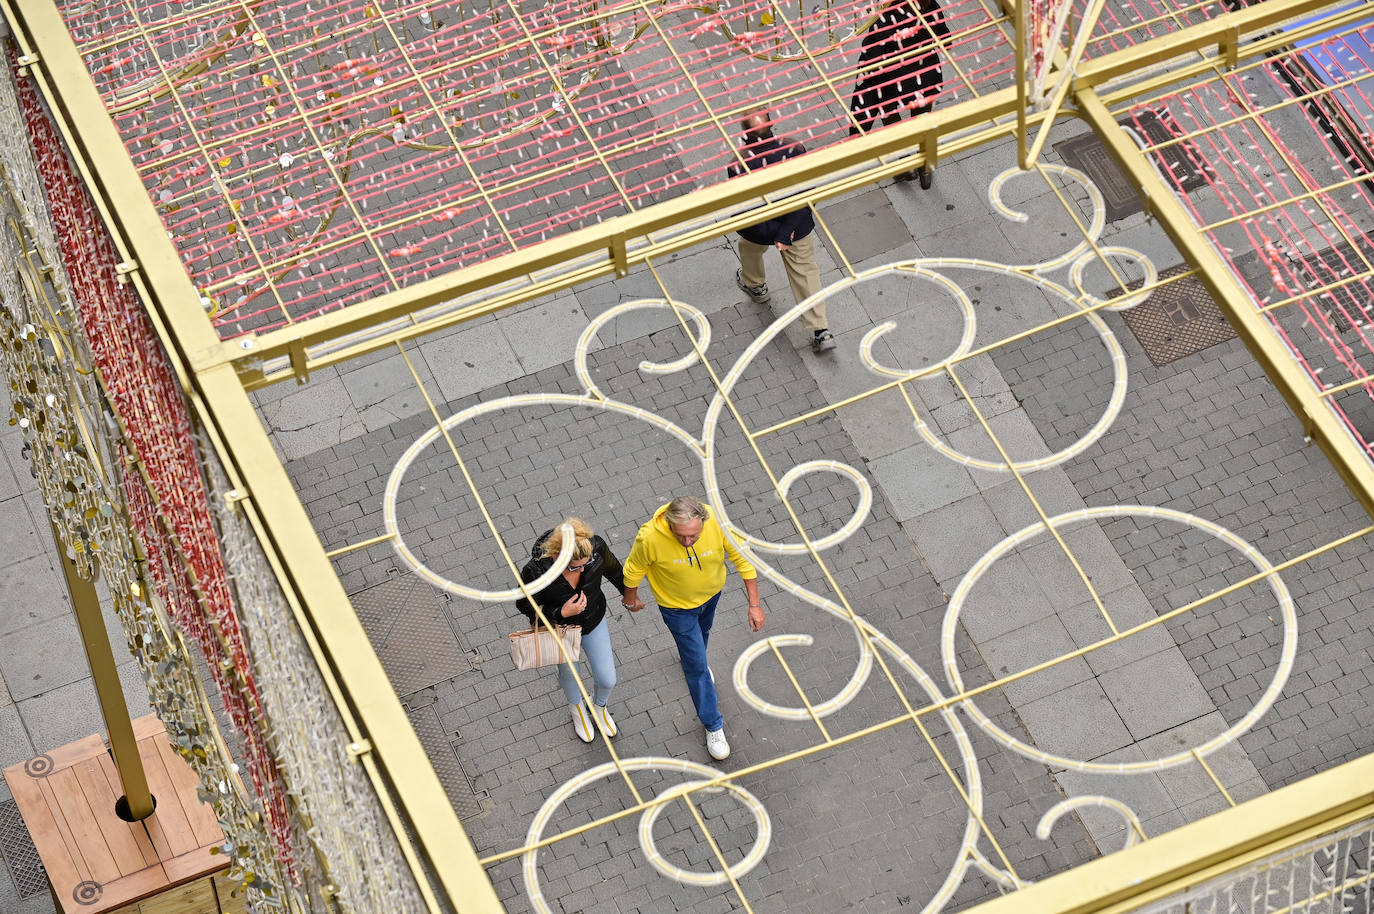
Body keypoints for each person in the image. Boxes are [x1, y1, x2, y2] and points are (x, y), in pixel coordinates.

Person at [621, 496, 765, 760]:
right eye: (681, 536)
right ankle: (713, 724)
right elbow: (633, 569)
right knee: (697, 666)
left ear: (703, 523)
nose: (687, 542)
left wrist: (754, 604)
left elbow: (743, 559)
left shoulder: (717, 522)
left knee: (703, 635)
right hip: (676, 609)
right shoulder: (650, 537)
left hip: (711, 597)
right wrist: (630, 599)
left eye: (693, 536)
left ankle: (694, 657)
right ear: (669, 523)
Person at [726, 109, 837, 354]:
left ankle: (756, 286)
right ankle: (821, 331)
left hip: (759, 229)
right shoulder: (794, 149)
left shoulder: (738, 163)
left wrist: (770, 234)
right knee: (806, 272)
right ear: (772, 125)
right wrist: (785, 234)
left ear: (745, 134)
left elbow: (743, 206)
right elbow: (805, 194)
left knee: (748, 249)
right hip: (796, 227)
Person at [514, 519, 626, 743]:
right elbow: (524, 604)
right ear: (557, 556)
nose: (582, 569)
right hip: (560, 629)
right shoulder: (535, 570)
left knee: (607, 678)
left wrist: (629, 594)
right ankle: (577, 711)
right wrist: (560, 612)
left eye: (586, 564)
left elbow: (614, 571)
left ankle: (599, 707)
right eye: (575, 567)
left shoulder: (595, 549)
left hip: (593, 619)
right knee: (569, 674)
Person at [848, 0, 950, 188]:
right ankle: (924, 167)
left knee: (890, 116)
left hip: (892, 80)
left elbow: (874, 50)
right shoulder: (932, 7)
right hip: (924, 77)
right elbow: (946, 41)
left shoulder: (888, 12)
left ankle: (903, 162)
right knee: (922, 121)